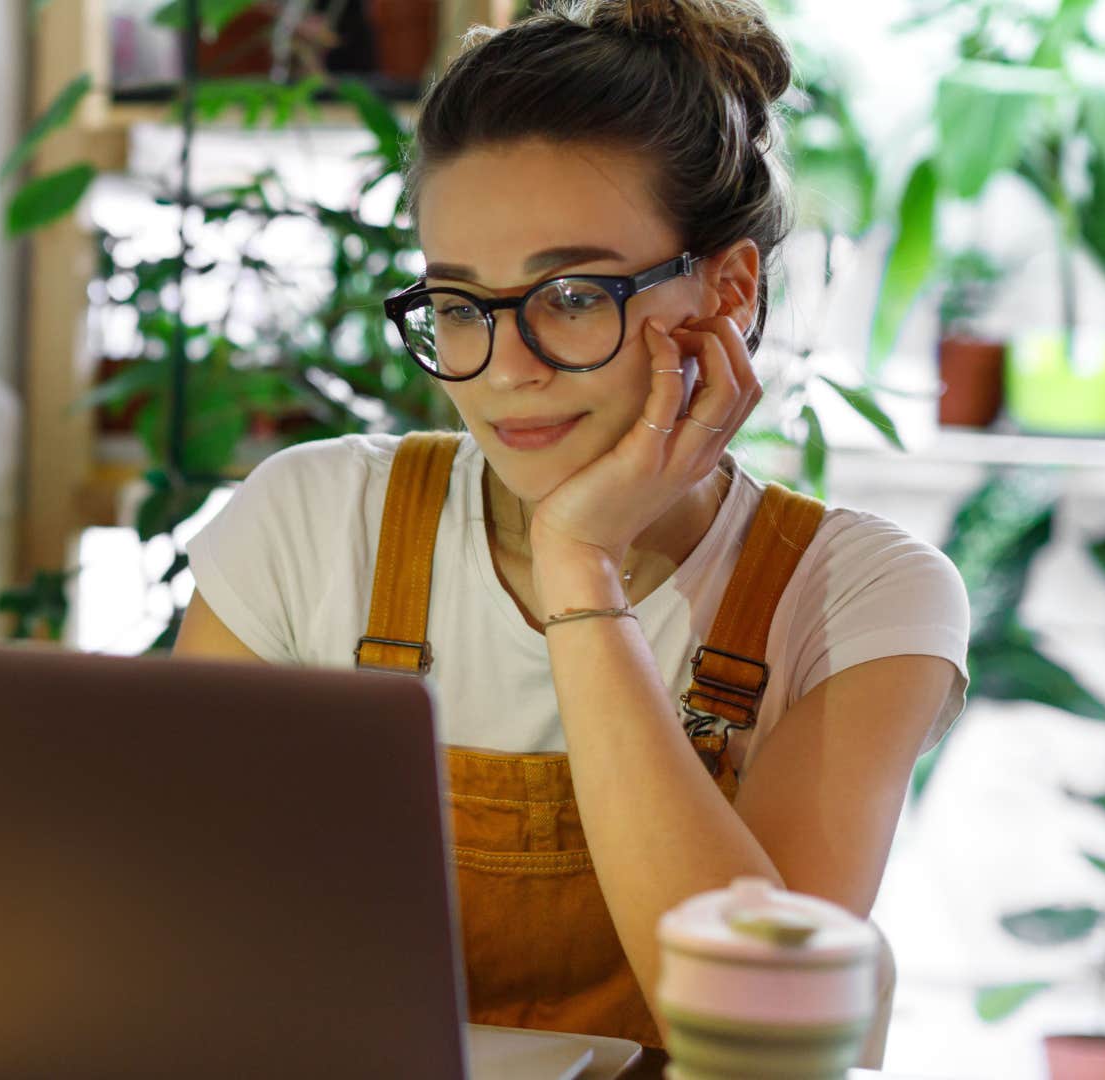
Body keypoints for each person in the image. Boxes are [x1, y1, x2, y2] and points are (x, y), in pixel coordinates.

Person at [174, 0, 971, 1048]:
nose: (506, 368)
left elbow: (763, 1031)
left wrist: (579, 564)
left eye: (573, 296)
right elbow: (174, 932)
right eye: (460, 305)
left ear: (728, 290)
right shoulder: (313, 520)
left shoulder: (859, 596)